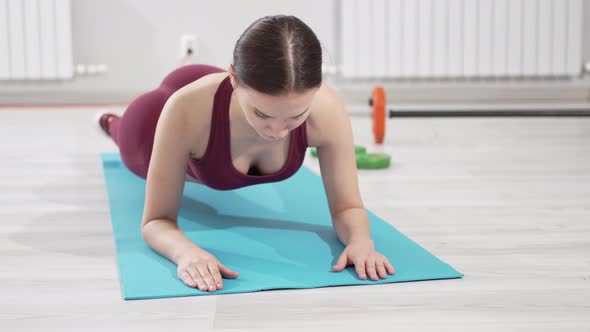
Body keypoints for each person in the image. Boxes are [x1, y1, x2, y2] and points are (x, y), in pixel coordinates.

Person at [98, 15, 395, 292]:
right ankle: (109, 122)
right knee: (125, 137)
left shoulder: (326, 110)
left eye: (295, 116)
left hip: (224, 95)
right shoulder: (184, 111)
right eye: (262, 114)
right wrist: (187, 253)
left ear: (317, 88)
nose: (278, 131)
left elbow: (347, 207)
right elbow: (155, 222)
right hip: (151, 126)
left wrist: (361, 241)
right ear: (234, 79)